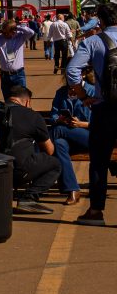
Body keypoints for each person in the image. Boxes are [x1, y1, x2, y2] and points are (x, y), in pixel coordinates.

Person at [65, 2, 117, 226]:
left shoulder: (93, 42)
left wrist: (83, 96)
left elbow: (72, 70)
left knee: (99, 161)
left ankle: (96, 211)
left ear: (101, 21)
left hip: (105, 109)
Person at [0, 86, 60, 213]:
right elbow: (49, 150)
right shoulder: (33, 116)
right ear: (27, 101)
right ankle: (29, 197)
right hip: (18, 171)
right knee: (54, 164)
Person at [49, 74, 95, 206]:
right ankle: (73, 190)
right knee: (58, 144)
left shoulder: (92, 91)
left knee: (59, 130)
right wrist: (60, 119)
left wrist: (81, 124)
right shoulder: (61, 92)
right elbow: (53, 115)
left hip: (90, 137)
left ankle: (34, 152)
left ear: (83, 75)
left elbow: (101, 122)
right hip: (68, 136)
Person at [0, 18, 35, 101]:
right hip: (5, 75)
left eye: (10, 31)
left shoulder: (20, 37)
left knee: (22, 99)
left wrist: (18, 27)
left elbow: (31, 32)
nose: (7, 34)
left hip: (18, 75)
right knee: (8, 100)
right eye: (5, 32)